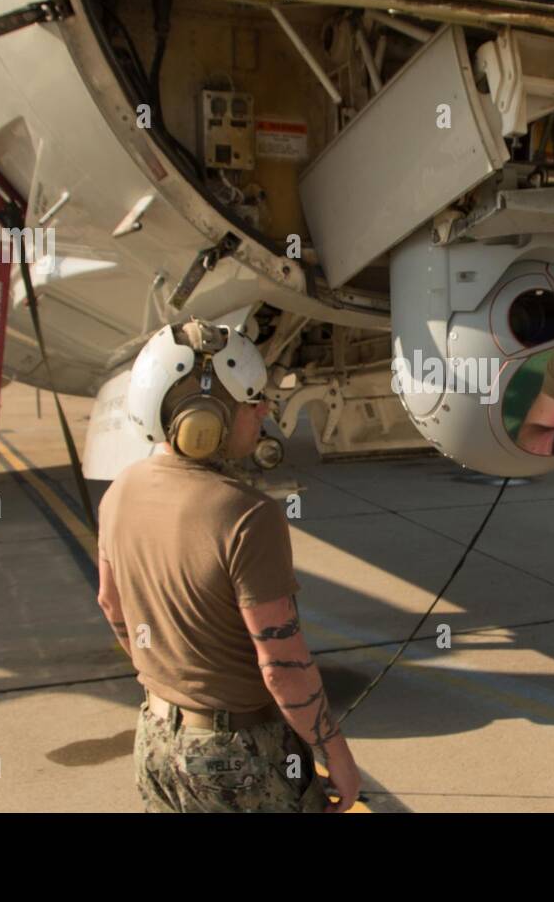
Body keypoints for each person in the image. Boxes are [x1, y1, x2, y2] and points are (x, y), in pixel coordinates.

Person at [96, 318, 361, 812]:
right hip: (238, 760)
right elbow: (282, 667)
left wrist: (169, 676)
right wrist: (336, 754)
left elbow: (111, 604)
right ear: (203, 418)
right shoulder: (248, 515)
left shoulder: (117, 493)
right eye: (249, 402)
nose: (263, 410)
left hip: (155, 739)